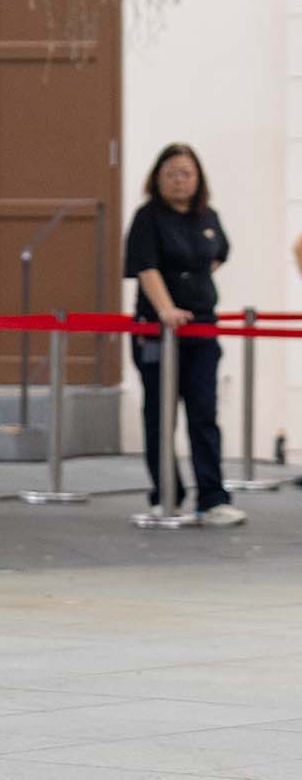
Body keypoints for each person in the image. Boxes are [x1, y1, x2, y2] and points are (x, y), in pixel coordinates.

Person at [125, 144, 243, 526]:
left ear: (198, 178)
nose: (180, 180)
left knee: (203, 412)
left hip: (202, 330)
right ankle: (166, 496)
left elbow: (218, 254)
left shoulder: (208, 217)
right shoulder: (148, 218)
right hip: (159, 333)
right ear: (158, 178)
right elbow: (146, 267)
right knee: (160, 414)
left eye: (186, 173)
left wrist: (195, 288)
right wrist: (166, 309)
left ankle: (212, 498)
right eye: (172, 173)